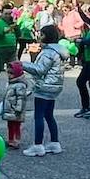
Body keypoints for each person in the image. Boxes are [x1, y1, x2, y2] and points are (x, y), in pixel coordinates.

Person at [20, 24, 65, 156]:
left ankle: (38, 145)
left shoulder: (48, 52)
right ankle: (54, 142)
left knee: (38, 116)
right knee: (49, 115)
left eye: (41, 34)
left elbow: (40, 69)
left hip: (44, 87)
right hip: (54, 87)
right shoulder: (58, 51)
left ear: (46, 36)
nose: (39, 36)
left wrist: (22, 64)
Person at [0, 61, 30, 148]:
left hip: (15, 110)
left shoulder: (19, 85)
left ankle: (16, 140)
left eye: (11, 73)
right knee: (10, 125)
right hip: (10, 109)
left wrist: (18, 109)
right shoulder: (12, 83)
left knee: (16, 125)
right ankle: (11, 139)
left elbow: (21, 99)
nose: (9, 75)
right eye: (8, 73)